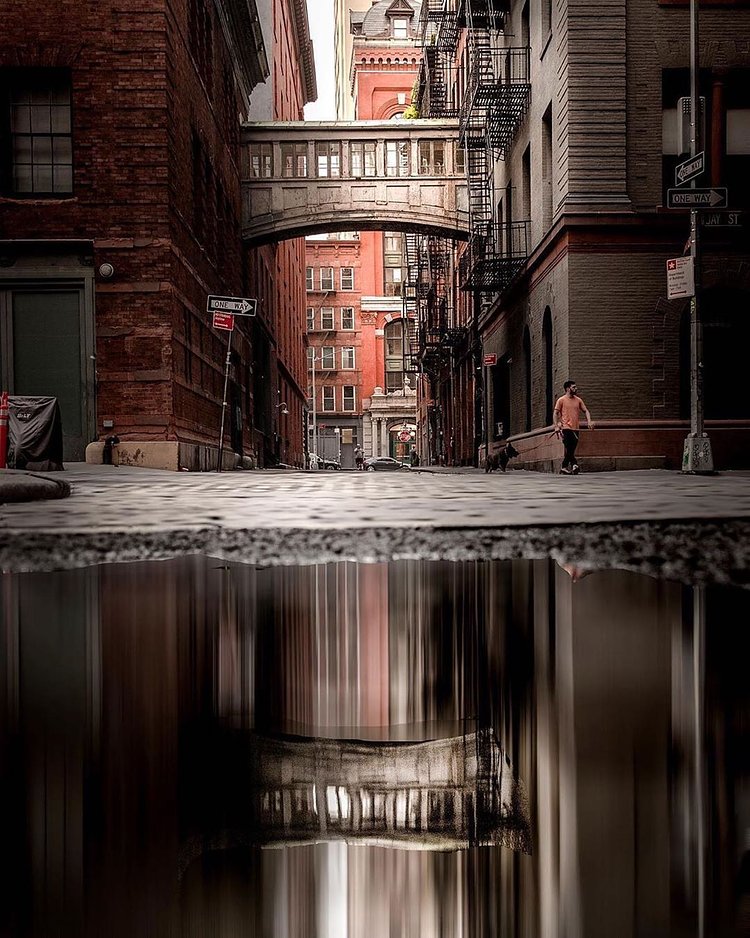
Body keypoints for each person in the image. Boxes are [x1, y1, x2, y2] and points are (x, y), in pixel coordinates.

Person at [553, 380, 594, 474]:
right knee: (569, 447)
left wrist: (589, 421)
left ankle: (564, 467)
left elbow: (586, 411)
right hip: (566, 427)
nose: (576, 389)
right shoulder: (561, 400)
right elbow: (555, 413)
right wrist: (556, 426)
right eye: (574, 387)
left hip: (576, 428)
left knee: (571, 449)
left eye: (576, 387)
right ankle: (575, 465)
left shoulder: (578, 400)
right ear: (568, 389)